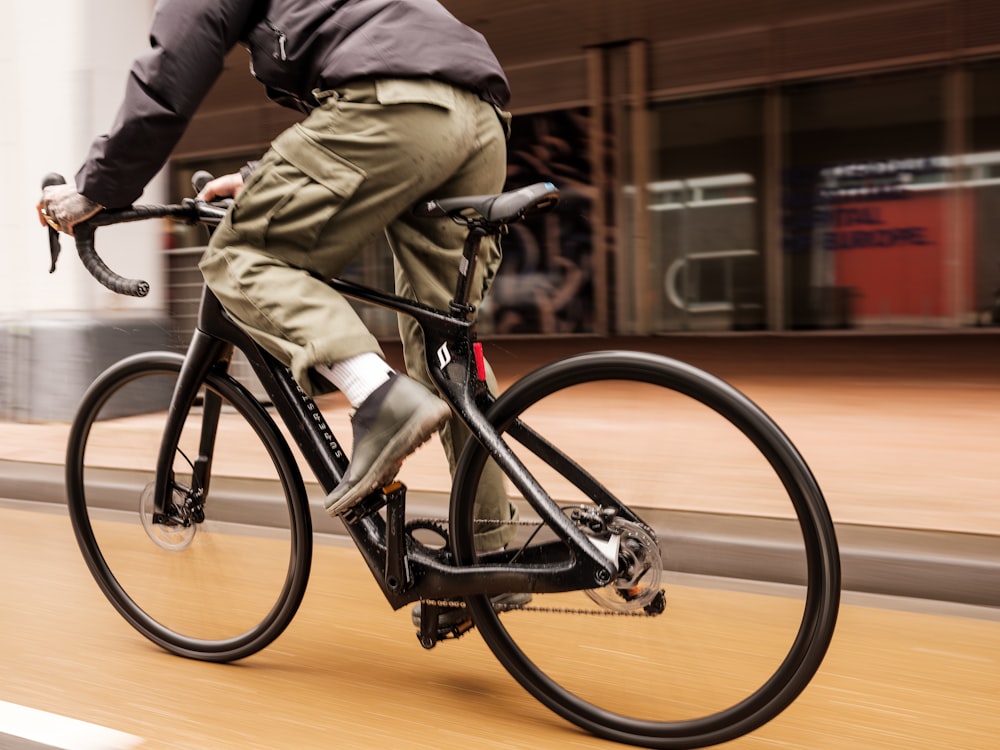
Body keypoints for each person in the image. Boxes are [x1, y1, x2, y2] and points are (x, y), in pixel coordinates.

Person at [36, 0, 519, 555]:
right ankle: (490, 555)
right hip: (481, 118)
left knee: (240, 255)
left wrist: (96, 189)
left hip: (395, 105)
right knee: (443, 344)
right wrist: (257, 177)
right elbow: (358, 54)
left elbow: (168, 76)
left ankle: (380, 399)